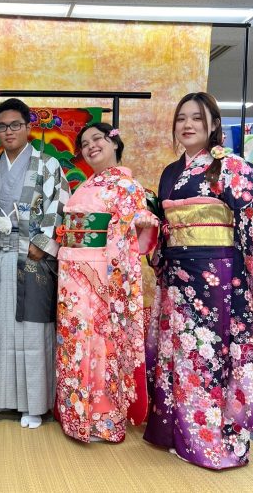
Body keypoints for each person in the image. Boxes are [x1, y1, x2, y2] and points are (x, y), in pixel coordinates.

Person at [143, 92, 253, 469]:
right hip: (176, 277)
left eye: (197, 119)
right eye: (182, 119)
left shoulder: (228, 166)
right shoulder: (170, 173)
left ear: (213, 126)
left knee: (209, 358)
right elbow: (165, 225)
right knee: (180, 355)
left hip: (215, 278)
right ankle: (178, 433)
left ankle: (212, 445)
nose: (188, 125)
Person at [55, 123, 158, 443]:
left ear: (115, 143)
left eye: (97, 139)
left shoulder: (126, 186)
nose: (90, 146)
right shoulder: (88, 184)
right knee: (73, 342)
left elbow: (135, 235)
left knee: (98, 343)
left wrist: (142, 225)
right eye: (84, 144)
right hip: (70, 273)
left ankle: (100, 418)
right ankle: (74, 412)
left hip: (100, 274)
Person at [0, 98, 69, 429]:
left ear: (28, 127)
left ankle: (34, 405)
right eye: (2, 125)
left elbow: (60, 205)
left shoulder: (47, 166)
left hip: (32, 257)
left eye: (15, 125)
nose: (9, 131)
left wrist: (43, 244)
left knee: (30, 330)